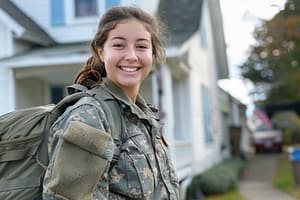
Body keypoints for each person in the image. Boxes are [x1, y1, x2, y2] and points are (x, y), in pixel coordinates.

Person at [42, 6, 179, 200]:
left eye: (141, 46)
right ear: (101, 52)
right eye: (119, 45)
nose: (131, 55)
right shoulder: (91, 115)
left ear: (153, 53)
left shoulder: (144, 117)